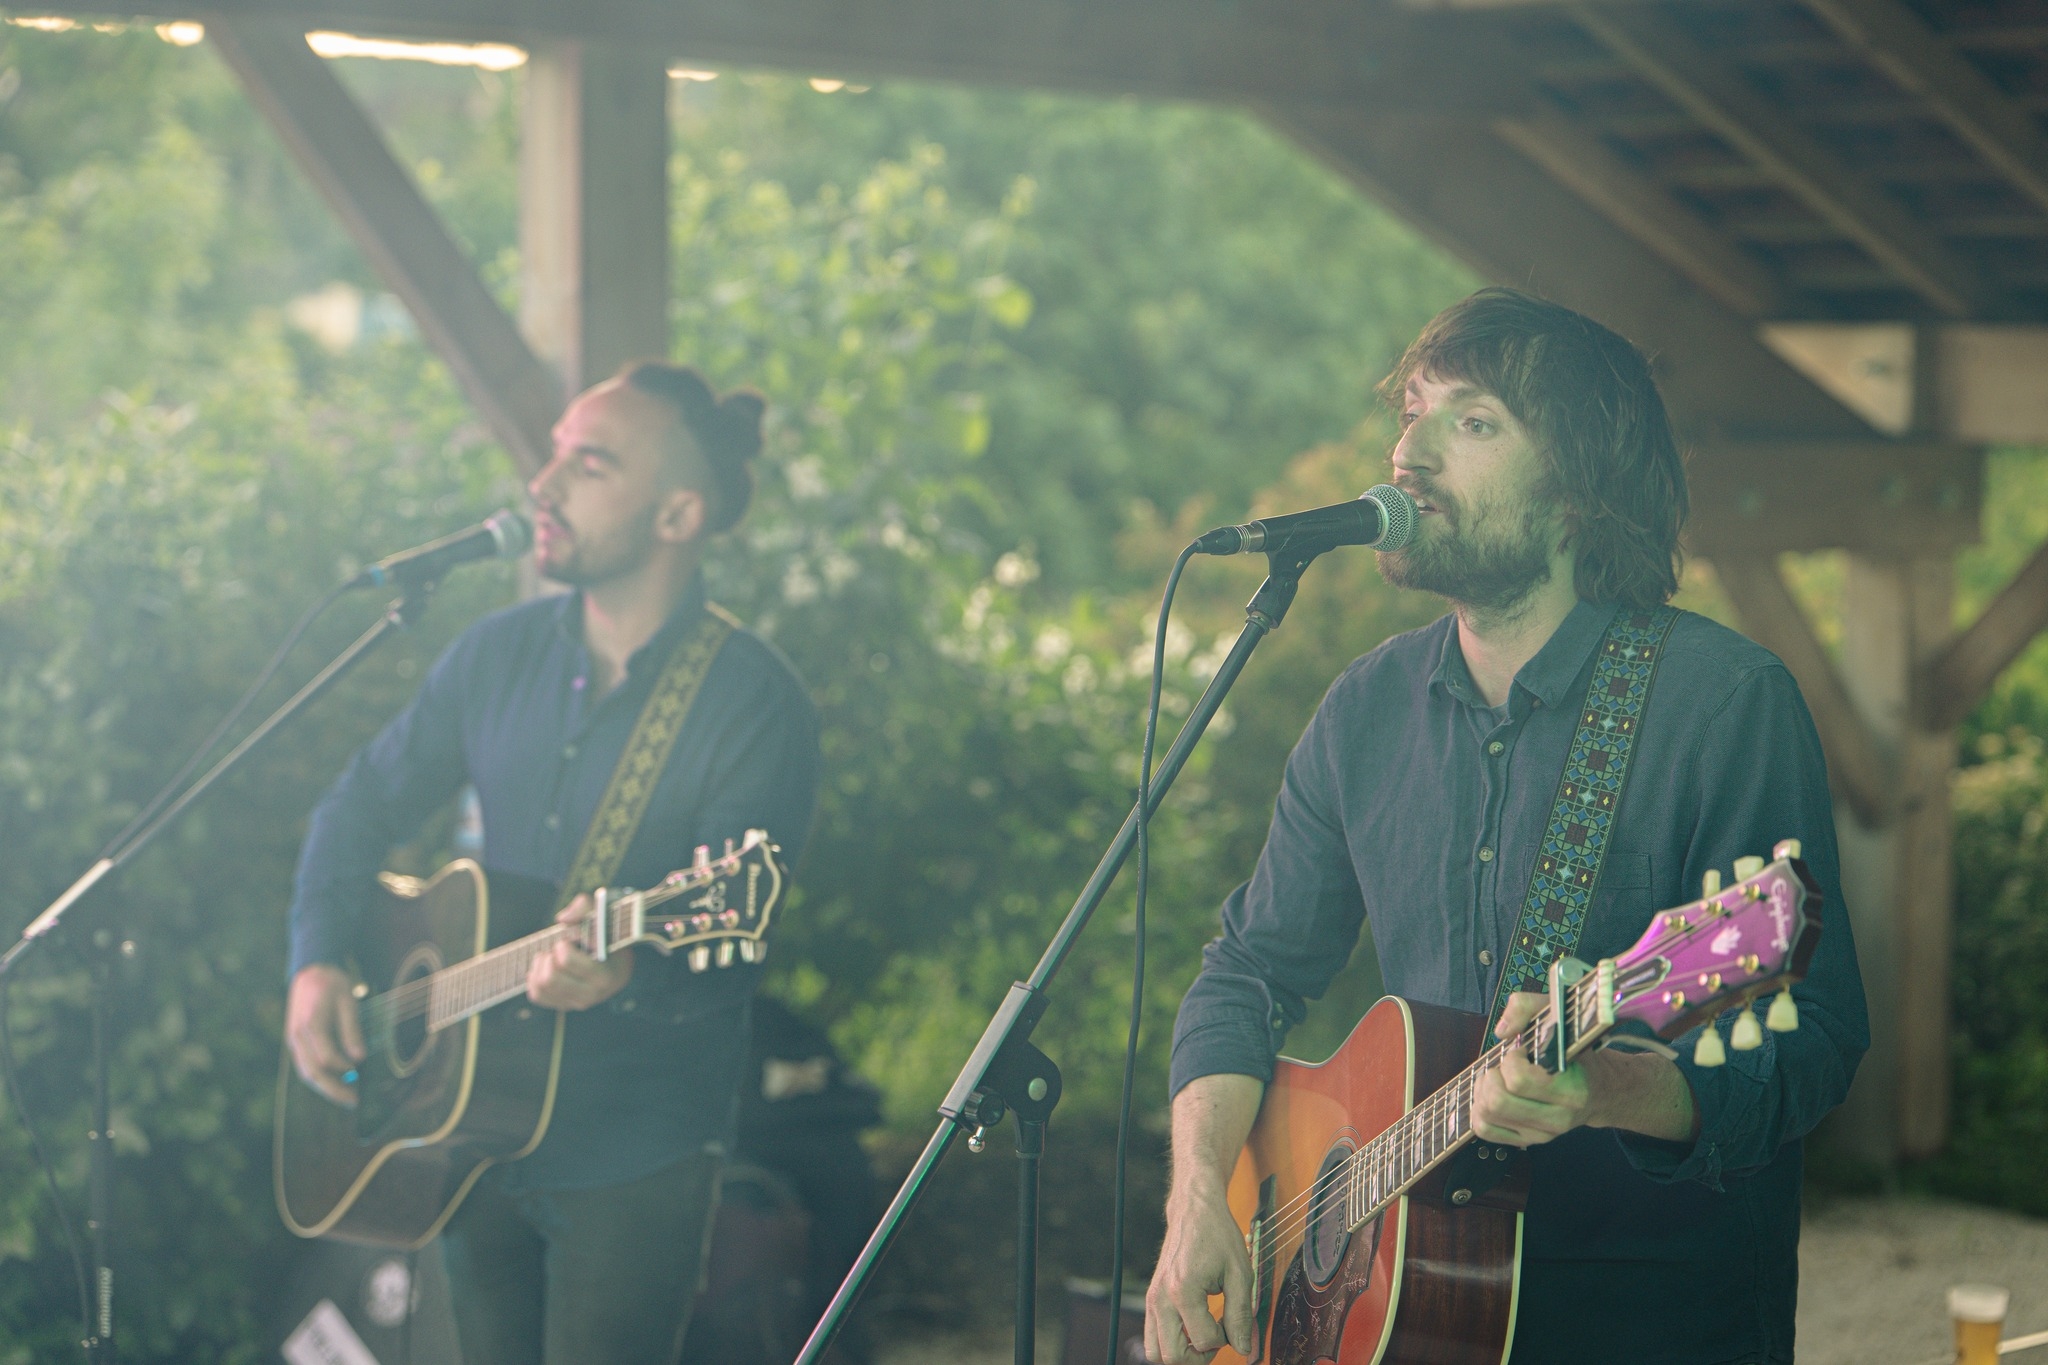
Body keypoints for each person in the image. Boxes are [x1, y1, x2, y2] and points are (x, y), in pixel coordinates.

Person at [1144, 288, 1868, 1365]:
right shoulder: (1366, 708)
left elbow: (1812, 1041)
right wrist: (1199, 1193)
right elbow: (1247, 971)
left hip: (1644, 1325)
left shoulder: (1722, 703)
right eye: (1412, 412)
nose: (1409, 451)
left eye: (1473, 421)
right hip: (1402, 1320)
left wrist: (1606, 1086)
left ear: (1577, 491)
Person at [284, 361, 822, 1365]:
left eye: (591, 463)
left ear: (678, 514)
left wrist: (630, 967)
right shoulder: (492, 656)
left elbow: (735, 944)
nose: (544, 483)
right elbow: (357, 807)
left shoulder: (750, 702)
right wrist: (316, 960)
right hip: (464, 1124)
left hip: (632, 1153)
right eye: (554, 455)